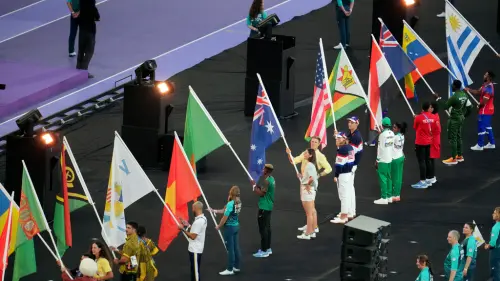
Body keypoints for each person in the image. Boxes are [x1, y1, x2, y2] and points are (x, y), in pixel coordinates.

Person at [286, 137, 332, 234]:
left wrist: (318, 175)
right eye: (312, 141)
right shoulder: (306, 153)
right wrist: (289, 154)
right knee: (310, 207)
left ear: (319, 144)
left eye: (315, 142)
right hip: (304, 181)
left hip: (309, 184)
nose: (313, 143)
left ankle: (312, 228)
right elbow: (294, 161)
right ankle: (312, 226)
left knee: (309, 207)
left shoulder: (320, 156)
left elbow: (329, 168)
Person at [435, 80, 473, 165]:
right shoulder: (464, 95)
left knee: (453, 138)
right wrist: (464, 115)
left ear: (455, 86)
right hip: (460, 118)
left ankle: (453, 158)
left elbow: (445, 106)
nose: (451, 86)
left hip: (454, 119)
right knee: (458, 136)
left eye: (452, 85)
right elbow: (470, 107)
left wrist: (438, 98)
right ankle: (459, 156)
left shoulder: (455, 97)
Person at [334, 116, 362, 219]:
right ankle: (350, 211)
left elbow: (350, 152)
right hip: (351, 165)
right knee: (350, 189)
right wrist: (338, 138)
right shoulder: (352, 134)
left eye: (352, 122)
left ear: (357, 124)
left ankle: (347, 212)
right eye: (349, 122)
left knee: (347, 190)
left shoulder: (355, 137)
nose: (349, 124)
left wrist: (353, 165)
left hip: (350, 166)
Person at [214, 186, 242, 276]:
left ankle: (230, 269)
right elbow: (225, 211)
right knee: (235, 247)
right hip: (236, 226)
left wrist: (219, 226)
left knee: (230, 249)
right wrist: (214, 210)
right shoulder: (238, 202)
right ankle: (236, 266)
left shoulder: (230, 203)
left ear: (231, 193)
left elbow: (224, 218)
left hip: (229, 228)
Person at [466, 71, 496, 151]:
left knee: (481, 127)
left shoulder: (489, 88)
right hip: (487, 110)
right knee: (487, 126)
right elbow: (478, 92)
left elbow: (484, 101)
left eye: (485, 75)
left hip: (485, 111)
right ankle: (492, 143)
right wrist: (469, 90)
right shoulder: (484, 85)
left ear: (489, 77)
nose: (484, 75)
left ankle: (480, 145)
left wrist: (479, 106)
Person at [251, 164, 275, 258]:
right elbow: (264, 190)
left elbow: (261, 193)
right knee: (268, 228)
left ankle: (264, 250)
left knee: (263, 229)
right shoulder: (271, 179)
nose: (262, 170)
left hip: (264, 207)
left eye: (263, 169)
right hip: (269, 206)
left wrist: (254, 187)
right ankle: (268, 248)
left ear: (266, 170)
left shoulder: (266, 181)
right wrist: (256, 185)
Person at [179, 201, 207, 281]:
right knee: (194, 270)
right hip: (196, 249)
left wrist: (182, 229)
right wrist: (188, 225)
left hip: (195, 250)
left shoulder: (199, 221)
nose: (192, 210)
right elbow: (196, 230)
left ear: (196, 209)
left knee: (195, 273)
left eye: (192, 208)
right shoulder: (203, 219)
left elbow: (193, 236)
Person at [412, 102, 437, 189]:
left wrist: (415, 118)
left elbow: (415, 127)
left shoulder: (418, 118)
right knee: (428, 160)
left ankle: (422, 181)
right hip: (429, 142)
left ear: (422, 108)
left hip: (420, 142)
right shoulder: (433, 117)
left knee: (421, 161)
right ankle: (428, 179)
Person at [330, 132, 354, 224]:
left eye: (339, 138)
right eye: (336, 138)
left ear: (343, 139)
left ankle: (343, 217)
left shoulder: (342, 150)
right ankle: (346, 213)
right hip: (349, 174)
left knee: (343, 196)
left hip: (343, 175)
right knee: (347, 195)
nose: (337, 140)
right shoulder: (350, 147)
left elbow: (339, 165)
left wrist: (336, 175)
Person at [296, 149, 319, 239]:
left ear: (310, 155)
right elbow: (311, 177)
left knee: (309, 213)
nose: (304, 153)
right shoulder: (311, 165)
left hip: (307, 191)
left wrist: (308, 184)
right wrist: (302, 177)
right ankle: (312, 230)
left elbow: (312, 178)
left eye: (306, 153)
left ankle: (307, 234)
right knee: (312, 211)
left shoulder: (309, 165)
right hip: (311, 190)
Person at [77, 0, 100, 78]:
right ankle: (84, 69)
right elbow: (96, 15)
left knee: (81, 49)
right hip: (90, 29)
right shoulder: (91, 4)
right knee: (89, 51)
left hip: (82, 28)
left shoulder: (81, 2)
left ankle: (78, 67)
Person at [374, 117, 394, 205]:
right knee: (389, 177)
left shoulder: (382, 135)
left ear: (382, 125)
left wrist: (377, 160)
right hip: (389, 158)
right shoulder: (392, 133)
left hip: (383, 159)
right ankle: (389, 196)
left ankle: (384, 197)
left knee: (382, 178)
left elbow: (380, 148)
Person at [391, 121, 407, 202]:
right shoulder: (402, 136)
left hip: (395, 159)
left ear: (398, 129)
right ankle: (398, 194)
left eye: (394, 127)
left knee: (394, 178)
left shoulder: (395, 137)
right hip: (401, 156)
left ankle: (395, 195)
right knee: (399, 177)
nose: (392, 129)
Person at [484, 207, 500, 281]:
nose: (493, 214)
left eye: (495, 212)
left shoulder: (496, 227)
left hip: (496, 252)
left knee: (495, 273)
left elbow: (493, 243)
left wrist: (488, 246)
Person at [429, 101, 442, 174]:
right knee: (430, 159)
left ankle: (431, 177)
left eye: (430, 107)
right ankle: (431, 176)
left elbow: (438, 130)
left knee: (430, 159)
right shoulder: (434, 116)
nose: (429, 108)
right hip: (433, 140)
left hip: (433, 141)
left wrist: (430, 132)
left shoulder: (435, 118)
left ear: (433, 109)